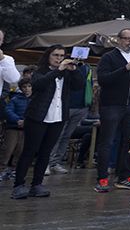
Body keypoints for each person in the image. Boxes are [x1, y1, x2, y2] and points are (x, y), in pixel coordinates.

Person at [11, 47, 86, 199]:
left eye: (61, 55)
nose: (58, 58)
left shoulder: (67, 72)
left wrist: (74, 70)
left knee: (46, 151)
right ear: (48, 56)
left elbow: (80, 86)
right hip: (38, 116)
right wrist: (59, 70)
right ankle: (18, 185)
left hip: (58, 117)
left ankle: (37, 184)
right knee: (30, 150)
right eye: (55, 55)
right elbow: (39, 84)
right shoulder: (40, 71)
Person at [94, 28, 130, 192]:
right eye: (127, 39)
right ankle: (102, 178)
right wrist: (125, 68)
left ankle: (126, 177)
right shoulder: (109, 57)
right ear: (119, 40)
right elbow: (104, 80)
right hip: (111, 105)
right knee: (107, 141)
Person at [1, 77, 32, 181]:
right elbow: (8, 110)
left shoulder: (35, 99)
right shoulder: (15, 99)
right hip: (13, 128)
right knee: (8, 149)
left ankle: (14, 169)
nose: (27, 89)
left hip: (27, 129)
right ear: (21, 88)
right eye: (24, 87)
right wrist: (17, 120)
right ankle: (2, 169)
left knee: (21, 150)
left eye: (29, 86)